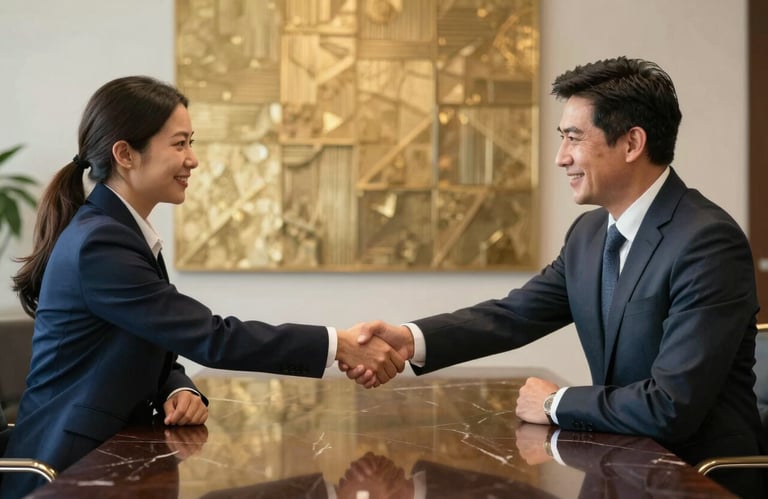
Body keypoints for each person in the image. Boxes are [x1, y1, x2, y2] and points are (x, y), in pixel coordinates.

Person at [346, 56, 765, 498]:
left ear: (632, 143)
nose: (561, 157)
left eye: (573, 138)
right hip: (621, 467)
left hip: (695, 480)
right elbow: (515, 314)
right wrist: (409, 340)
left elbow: (670, 405)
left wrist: (554, 403)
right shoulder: (589, 234)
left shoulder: (706, 242)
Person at [1, 76, 404, 498]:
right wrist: (339, 344)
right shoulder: (101, 243)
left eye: (191, 142)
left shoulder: (118, 231)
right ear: (125, 154)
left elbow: (149, 337)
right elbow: (208, 337)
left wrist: (176, 384)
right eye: (179, 144)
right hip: (64, 473)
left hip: (113, 460)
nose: (192, 159)